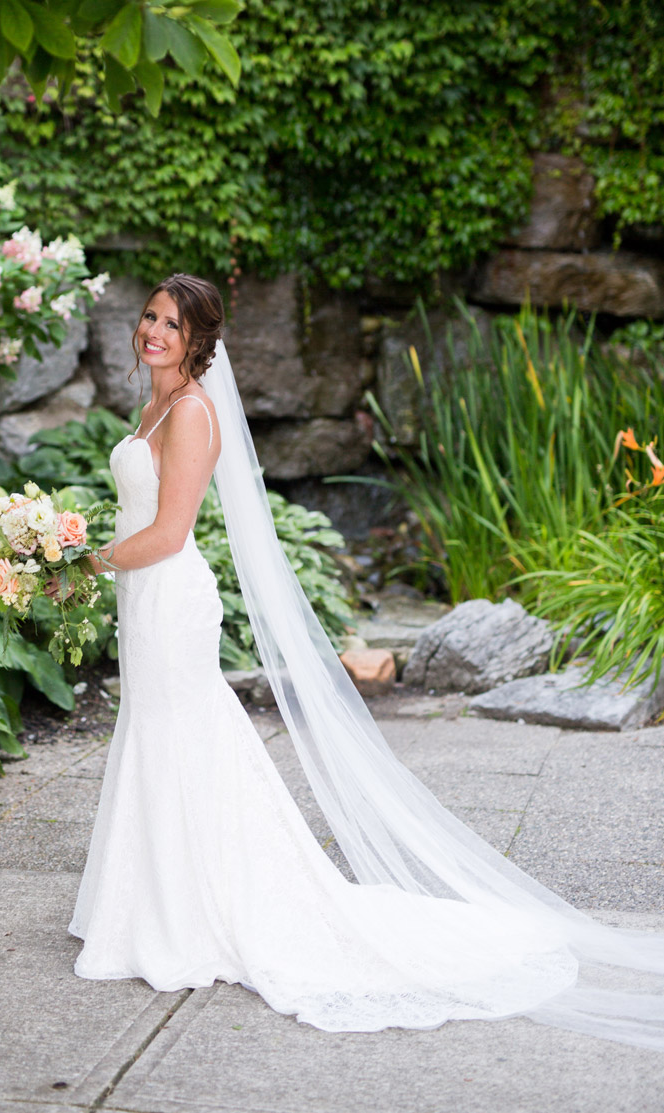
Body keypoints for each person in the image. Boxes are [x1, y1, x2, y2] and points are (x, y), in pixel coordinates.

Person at [69, 273, 664, 1046]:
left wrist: (79, 560)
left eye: (171, 325)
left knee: (181, 736)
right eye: (149, 316)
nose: (153, 331)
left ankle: (195, 909)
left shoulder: (188, 412)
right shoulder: (152, 403)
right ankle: (152, 896)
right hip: (141, 599)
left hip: (167, 595)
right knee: (159, 737)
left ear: (198, 341)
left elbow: (169, 533)